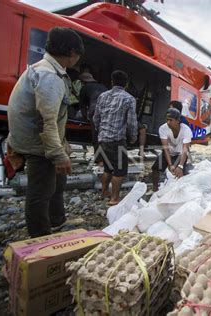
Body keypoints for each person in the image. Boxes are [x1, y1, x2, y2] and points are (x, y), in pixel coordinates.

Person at [7, 27, 84, 237]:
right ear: (71, 52)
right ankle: (40, 239)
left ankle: (56, 221)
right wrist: (58, 155)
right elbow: (46, 122)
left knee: (58, 181)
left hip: (40, 140)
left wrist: (63, 145)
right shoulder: (49, 77)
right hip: (38, 145)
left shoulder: (44, 69)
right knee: (41, 191)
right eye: (78, 54)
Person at [93, 70, 138, 205]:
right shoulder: (129, 98)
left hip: (102, 139)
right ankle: (114, 198)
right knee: (119, 170)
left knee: (107, 167)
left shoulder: (102, 96)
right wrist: (133, 136)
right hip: (117, 140)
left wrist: (99, 130)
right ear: (126, 84)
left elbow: (96, 117)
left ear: (112, 82)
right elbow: (131, 121)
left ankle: (104, 192)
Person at [152, 108, 193, 191]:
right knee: (155, 168)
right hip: (168, 152)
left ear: (178, 121)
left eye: (170, 120)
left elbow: (185, 149)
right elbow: (165, 148)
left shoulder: (186, 130)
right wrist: (170, 164)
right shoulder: (163, 128)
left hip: (180, 154)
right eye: (167, 120)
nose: (168, 122)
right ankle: (155, 189)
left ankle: (180, 191)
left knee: (179, 173)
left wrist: (180, 166)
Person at [79, 72, 107, 160]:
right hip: (108, 110)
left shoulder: (85, 88)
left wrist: (85, 119)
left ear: (83, 81)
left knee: (96, 134)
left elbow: (82, 106)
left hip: (95, 111)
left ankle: (99, 159)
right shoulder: (102, 86)